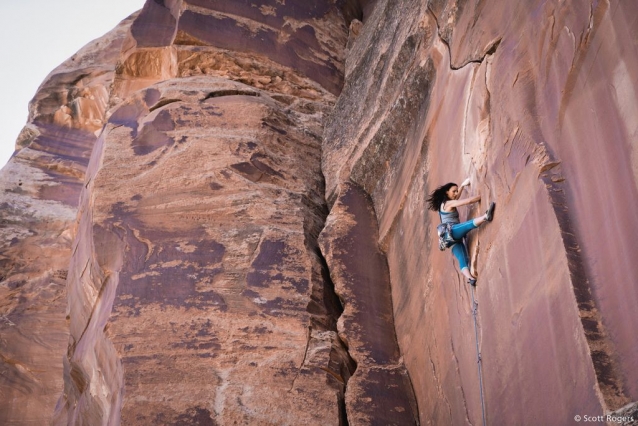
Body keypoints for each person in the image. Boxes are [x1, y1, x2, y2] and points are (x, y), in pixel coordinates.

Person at [426, 179, 495, 286]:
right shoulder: (448, 203)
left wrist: (462, 186)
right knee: (467, 225)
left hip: (449, 240)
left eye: (456, 191)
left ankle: (470, 279)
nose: (456, 193)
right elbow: (467, 201)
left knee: (462, 259)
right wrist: (481, 196)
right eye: (454, 191)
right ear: (446, 192)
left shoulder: (443, 205)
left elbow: (456, 199)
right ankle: (486, 216)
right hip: (452, 231)